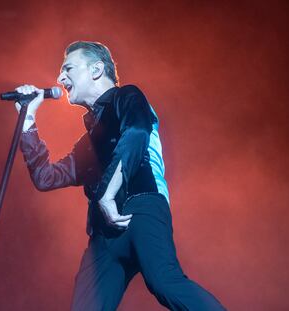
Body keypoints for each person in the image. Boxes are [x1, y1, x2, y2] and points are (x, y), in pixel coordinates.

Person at [14, 41, 226, 311]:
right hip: (105, 231)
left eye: (68, 68)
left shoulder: (127, 97)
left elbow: (136, 134)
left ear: (96, 69)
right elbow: (46, 177)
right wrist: (28, 120)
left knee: (164, 282)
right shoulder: (89, 140)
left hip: (142, 205)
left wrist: (107, 194)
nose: (60, 78)